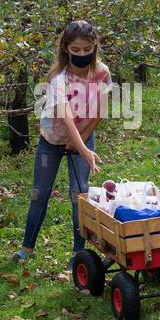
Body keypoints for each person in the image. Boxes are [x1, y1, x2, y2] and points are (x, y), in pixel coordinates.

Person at [15, 20, 108, 264]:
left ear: (94, 46)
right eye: (75, 50)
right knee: (39, 193)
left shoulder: (102, 73)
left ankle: (79, 253)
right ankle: (27, 247)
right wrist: (83, 150)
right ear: (66, 48)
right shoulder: (58, 78)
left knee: (80, 194)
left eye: (86, 49)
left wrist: (84, 141)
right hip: (53, 139)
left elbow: (100, 110)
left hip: (83, 138)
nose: (81, 54)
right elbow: (65, 118)